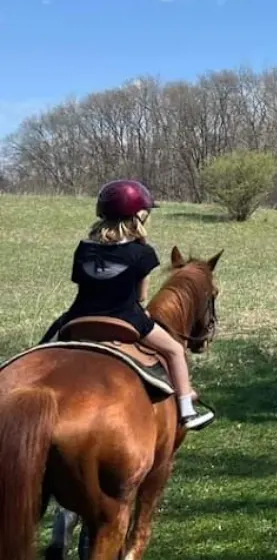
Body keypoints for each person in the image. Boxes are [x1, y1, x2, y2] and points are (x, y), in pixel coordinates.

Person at [40, 179, 215, 431]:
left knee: (41, 350)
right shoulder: (143, 253)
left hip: (79, 316)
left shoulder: (84, 249)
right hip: (127, 318)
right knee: (175, 351)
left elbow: (82, 283)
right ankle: (187, 410)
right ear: (139, 217)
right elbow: (141, 296)